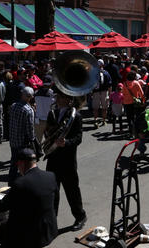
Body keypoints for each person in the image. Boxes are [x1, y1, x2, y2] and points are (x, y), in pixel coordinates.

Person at [0, 148, 58, 248]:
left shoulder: (20, 183)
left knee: (2, 227)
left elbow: (2, 206)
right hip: (49, 229)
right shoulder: (50, 176)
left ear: (21, 163)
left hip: (29, 235)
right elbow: (55, 201)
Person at [43, 92, 87, 230]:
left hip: (67, 159)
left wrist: (66, 142)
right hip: (53, 158)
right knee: (52, 191)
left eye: (62, 97)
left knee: (72, 190)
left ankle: (80, 217)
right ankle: (52, 221)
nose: (58, 99)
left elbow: (78, 138)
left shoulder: (76, 116)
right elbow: (48, 132)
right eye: (58, 97)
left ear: (69, 100)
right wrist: (48, 134)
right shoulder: (52, 113)